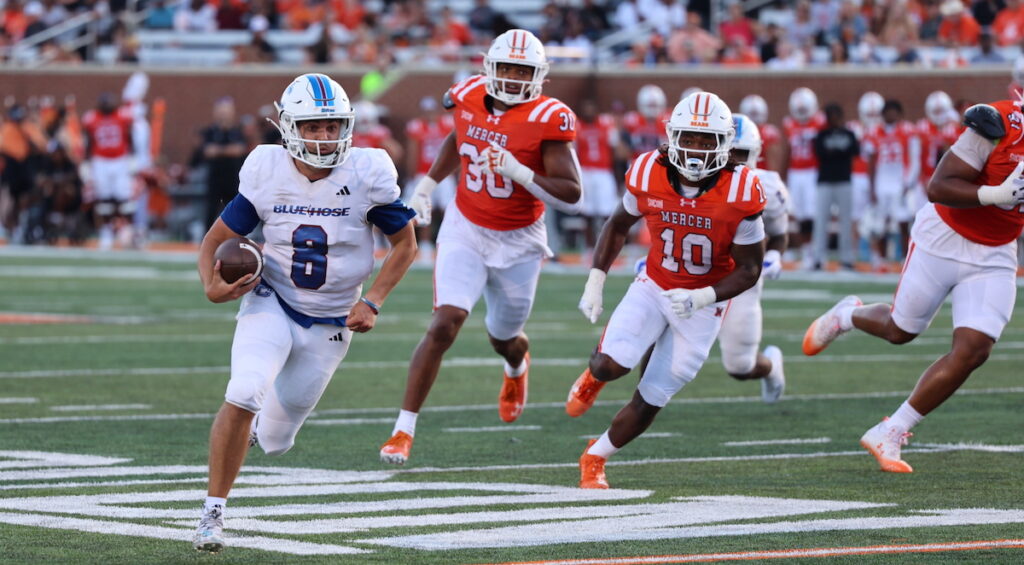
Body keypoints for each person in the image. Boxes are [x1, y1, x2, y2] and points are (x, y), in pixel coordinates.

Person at [191, 73, 417, 553]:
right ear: (290, 127)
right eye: (313, 127)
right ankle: (212, 513)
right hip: (272, 299)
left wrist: (372, 299)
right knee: (244, 388)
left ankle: (252, 431)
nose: (324, 136)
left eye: (332, 126)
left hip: (333, 321)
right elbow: (215, 239)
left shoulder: (367, 171)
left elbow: (405, 245)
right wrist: (212, 285)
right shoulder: (266, 170)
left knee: (275, 441)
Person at [379, 29, 583, 466]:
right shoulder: (468, 95)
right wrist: (428, 185)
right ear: (488, 69)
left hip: (520, 240)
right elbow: (461, 136)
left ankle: (516, 366)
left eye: (521, 70)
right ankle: (403, 429)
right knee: (445, 322)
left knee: (504, 337)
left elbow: (571, 191)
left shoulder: (550, 118)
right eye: (505, 68)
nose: (511, 78)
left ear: (539, 76)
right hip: (466, 226)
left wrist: (520, 172)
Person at [802, 99, 1024, 474]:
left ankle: (892, 429)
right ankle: (846, 316)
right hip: (945, 236)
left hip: (996, 251)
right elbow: (939, 186)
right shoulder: (1002, 123)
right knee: (900, 330)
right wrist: (994, 195)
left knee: (974, 349)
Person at [568, 92, 766, 489]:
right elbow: (618, 223)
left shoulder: (742, 190)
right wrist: (596, 279)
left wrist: (703, 297)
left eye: (706, 140)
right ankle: (594, 376)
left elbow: (749, 269)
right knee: (611, 363)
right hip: (655, 283)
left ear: (724, 144)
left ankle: (595, 456)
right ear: (673, 136)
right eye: (689, 138)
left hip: (703, 303)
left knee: (652, 395)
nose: (696, 148)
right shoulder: (647, 171)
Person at [718, 113, 788, 403]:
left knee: (739, 366)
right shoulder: (691, 178)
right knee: (660, 332)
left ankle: (771, 367)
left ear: (756, 154)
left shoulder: (768, 187)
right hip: (693, 273)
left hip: (741, 279)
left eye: (740, 154)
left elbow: (779, 233)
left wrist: (774, 255)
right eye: (727, 153)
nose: (733, 161)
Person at [863, 99, 919, 268]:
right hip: (882, 182)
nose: (890, 115)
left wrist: (909, 182)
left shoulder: (908, 130)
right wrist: (871, 187)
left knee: (903, 222)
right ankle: (879, 258)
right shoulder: (874, 132)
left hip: (900, 181)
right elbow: (871, 162)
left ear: (900, 114)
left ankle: (904, 257)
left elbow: (915, 159)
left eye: (894, 111)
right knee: (880, 223)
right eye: (887, 112)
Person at [404, 95, 456, 264]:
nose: (429, 114)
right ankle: (425, 243)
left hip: (443, 174)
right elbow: (413, 151)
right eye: (426, 111)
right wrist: (412, 174)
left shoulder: (447, 124)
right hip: (423, 173)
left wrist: (455, 172)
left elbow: (456, 149)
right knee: (425, 209)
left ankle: (450, 239)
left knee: (449, 208)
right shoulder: (417, 126)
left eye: (431, 111)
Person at [82, 92, 134, 250]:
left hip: (120, 160)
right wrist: (86, 160)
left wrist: (133, 157)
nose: (106, 105)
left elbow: (129, 137)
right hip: (101, 161)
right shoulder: (91, 118)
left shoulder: (123, 116)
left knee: (124, 199)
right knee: (104, 199)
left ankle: (125, 231)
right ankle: (107, 233)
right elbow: (88, 141)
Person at [812, 103, 859, 269]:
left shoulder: (849, 134)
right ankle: (818, 258)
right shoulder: (821, 135)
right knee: (821, 220)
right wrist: (839, 152)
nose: (833, 119)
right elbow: (820, 153)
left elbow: (854, 151)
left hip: (844, 180)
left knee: (846, 220)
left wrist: (834, 152)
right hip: (825, 181)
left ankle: (846, 258)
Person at [782, 87, 825, 269]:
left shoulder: (819, 122)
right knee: (797, 214)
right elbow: (788, 150)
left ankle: (813, 251)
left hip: (812, 171)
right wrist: (783, 175)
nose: (801, 113)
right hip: (795, 172)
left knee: (811, 214)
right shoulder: (789, 123)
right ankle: (803, 249)